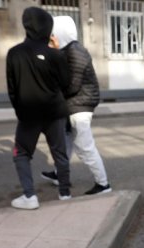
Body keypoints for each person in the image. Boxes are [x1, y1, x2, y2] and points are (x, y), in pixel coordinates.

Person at [6, 7, 72, 209]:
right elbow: (66, 83)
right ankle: (65, 193)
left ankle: (29, 196)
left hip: (29, 114)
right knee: (60, 153)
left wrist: (21, 111)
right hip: (55, 111)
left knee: (22, 154)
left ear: (27, 25)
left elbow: (12, 88)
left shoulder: (14, 53)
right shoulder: (56, 55)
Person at [41, 16, 111, 195]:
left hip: (80, 106)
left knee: (85, 147)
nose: (51, 38)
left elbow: (72, 85)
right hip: (73, 105)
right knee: (66, 144)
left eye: (53, 35)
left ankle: (103, 185)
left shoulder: (75, 52)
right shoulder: (68, 50)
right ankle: (59, 174)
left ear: (61, 33)